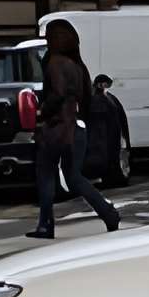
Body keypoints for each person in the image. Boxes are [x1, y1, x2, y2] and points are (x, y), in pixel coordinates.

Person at [30, 18, 121, 240]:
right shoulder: (78, 65)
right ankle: (108, 213)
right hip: (78, 127)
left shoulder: (55, 62)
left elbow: (58, 94)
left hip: (58, 128)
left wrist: (43, 111)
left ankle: (45, 224)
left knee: (45, 173)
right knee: (74, 177)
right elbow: (86, 100)